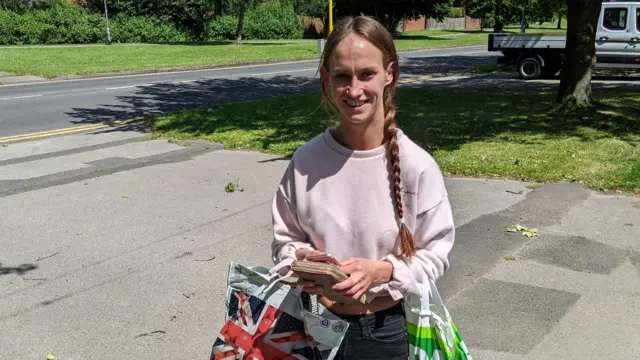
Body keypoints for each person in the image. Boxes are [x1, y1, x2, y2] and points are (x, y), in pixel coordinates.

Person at [269, 15, 455, 360]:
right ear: (326, 79)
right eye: (342, 76)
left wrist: (383, 270)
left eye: (366, 74)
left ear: (390, 74)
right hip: (310, 326)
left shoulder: (417, 166)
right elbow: (284, 242)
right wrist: (300, 260)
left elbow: (435, 255)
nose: (354, 91)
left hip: (383, 333)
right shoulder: (306, 161)